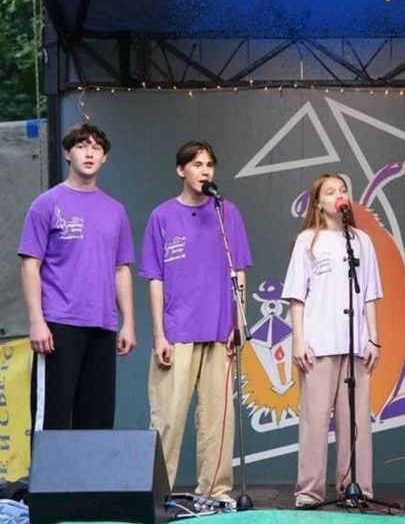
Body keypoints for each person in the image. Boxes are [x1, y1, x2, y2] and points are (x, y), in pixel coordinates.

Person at [141, 141, 252, 502]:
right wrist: (159, 334)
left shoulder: (226, 212)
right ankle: (157, 495)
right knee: (168, 418)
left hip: (219, 330)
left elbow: (238, 271)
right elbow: (155, 279)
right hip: (177, 332)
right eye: (197, 164)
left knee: (218, 420)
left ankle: (215, 491)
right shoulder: (161, 216)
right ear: (181, 170)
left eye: (209, 165)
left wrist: (239, 321)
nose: (205, 171)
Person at [19, 122, 136, 431]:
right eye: (82, 146)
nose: (89, 153)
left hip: (102, 327)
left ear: (105, 157)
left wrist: (128, 322)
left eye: (96, 148)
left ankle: (93, 469)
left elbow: (121, 268)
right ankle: (49, 469)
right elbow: (30, 265)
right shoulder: (47, 204)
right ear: (67, 152)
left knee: (97, 423)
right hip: (58, 326)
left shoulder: (115, 210)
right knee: (52, 421)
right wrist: (37, 321)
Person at [283, 174, 381, 509]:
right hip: (318, 343)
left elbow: (370, 294)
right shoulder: (307, 241)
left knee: (356, 420)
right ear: (318, 203)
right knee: (314, 420)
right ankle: (309, 492)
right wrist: (299, 339)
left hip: (356, 344)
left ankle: (355, 487)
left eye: (342, 190)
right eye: (330, 191)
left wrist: (374, 339)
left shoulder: (361, 241)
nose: (338, 195)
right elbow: (296, 296)